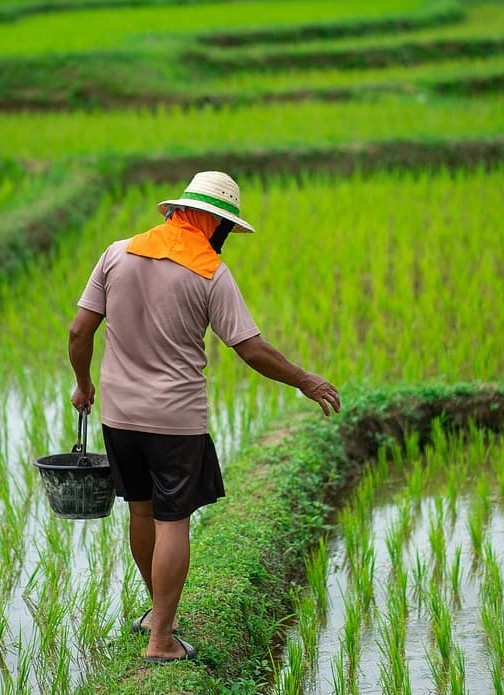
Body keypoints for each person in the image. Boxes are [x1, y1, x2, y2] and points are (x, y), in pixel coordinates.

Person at [68, 170, 340, 664]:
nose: (226, 238)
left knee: (141, 512)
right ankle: (161, 639)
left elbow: (79, 331)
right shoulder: (210, 271)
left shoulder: (117, 253)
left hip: (119, 416)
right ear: (212, 222)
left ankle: (158, 615)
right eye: (226, 228)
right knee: (174, 521)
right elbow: (250, 349)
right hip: (175, 419)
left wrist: (84, 384)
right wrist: (305, 379)